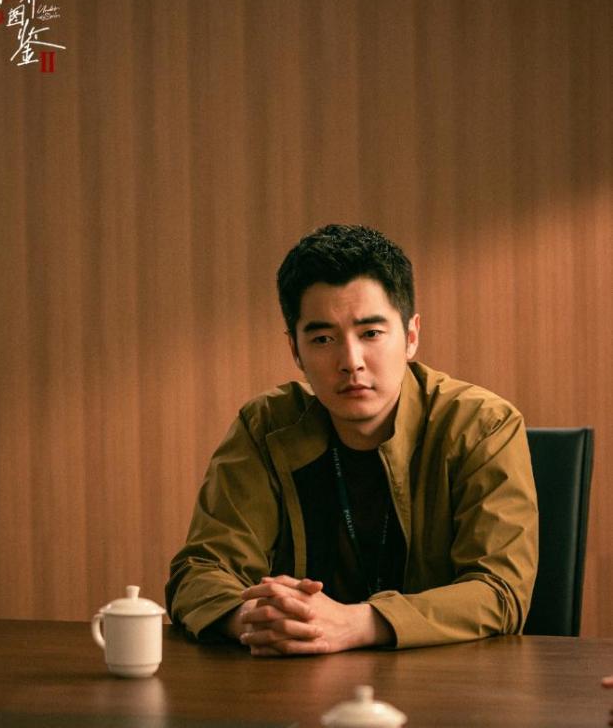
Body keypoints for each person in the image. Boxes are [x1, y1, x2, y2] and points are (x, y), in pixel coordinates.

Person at [166, 224, 538, 655]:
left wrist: (356, 623)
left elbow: (499, 591)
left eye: (371, 334)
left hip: (444, 681)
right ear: (295, 351)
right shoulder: (265, 427)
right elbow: (200, 570)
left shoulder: (482, 425)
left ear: (411, 336)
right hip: (295, 679)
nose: (350, 361)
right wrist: (258, 620)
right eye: (323, 339)